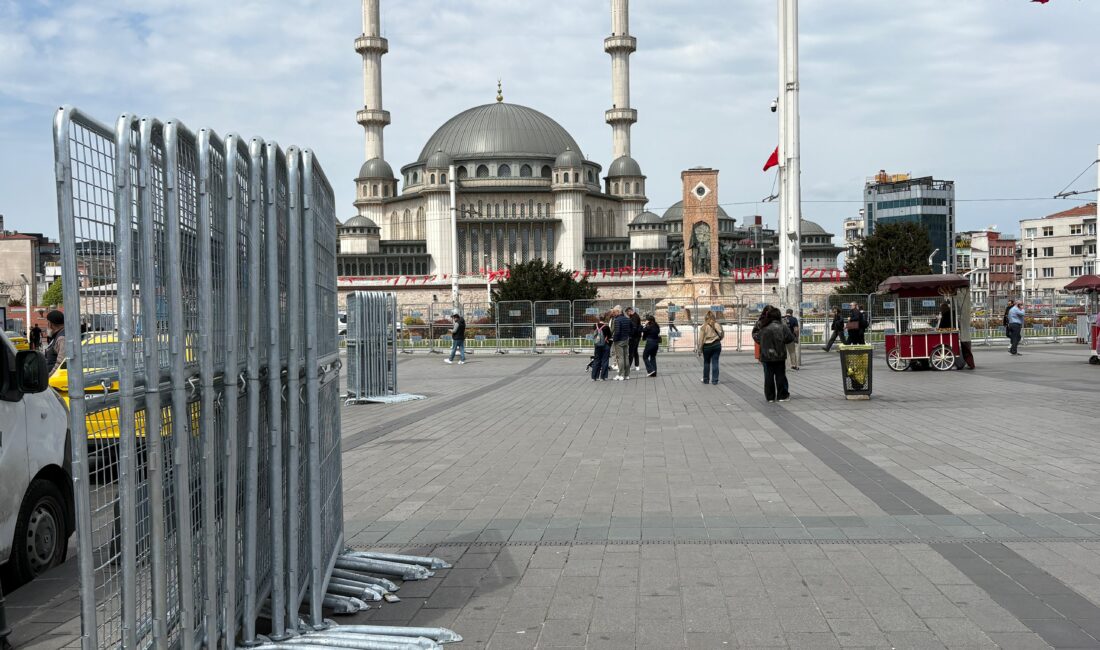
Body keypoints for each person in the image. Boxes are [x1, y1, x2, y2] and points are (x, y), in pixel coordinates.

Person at [754, 306, 794, 402]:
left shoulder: (763, 327)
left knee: (768, 377)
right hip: (780, 355)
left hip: (766, 355)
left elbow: (757, 338)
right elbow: (790, 338)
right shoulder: (782, 326)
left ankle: (770, 397)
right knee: (780, 376)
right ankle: (782, 395)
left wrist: (763, 343)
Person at [696, 310, 724, 384]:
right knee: (715, 362)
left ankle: (706, 379)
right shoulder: (717, 324)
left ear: (705, 318)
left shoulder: (703, 327)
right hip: (716, 345)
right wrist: (718, 339)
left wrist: (699, 349)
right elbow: (722, 334)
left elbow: (701, 339)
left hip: (707, 346)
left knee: (706, 363)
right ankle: (715, 380)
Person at [611, 305, 633, 380]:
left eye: (614, 312)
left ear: (618, 311)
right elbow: (631, 329)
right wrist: (628, 336)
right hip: (626, 339)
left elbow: (617, 331)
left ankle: (620, 374)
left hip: (619, 341)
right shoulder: (627, 319)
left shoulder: (617, 320)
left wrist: (614, 339)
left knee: (620, 358)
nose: (613, 313)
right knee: (626, 357)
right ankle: (627, 375)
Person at [44, 310, 66, 375]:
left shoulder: (61, 338)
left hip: (55, 380)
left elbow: (60, 363)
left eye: (47, 323)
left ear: (50, 324)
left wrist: (49, 377)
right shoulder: (58, 335)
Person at [590, 315, 612, 381]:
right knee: (605, 360)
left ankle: (594, 377)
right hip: (605, 345)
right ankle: (603, 377)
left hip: (597, 345)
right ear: (605, 319)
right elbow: (610, 336)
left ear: (598, 319)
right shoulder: (606, 327)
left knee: (596, 360)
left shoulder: (595, 326)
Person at [626, 307, 642, 371]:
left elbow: (634, 328)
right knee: (635, 351)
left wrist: (630, 335)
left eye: (627, 313)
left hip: (634, 337)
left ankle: (629, 366)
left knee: (631, 351)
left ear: (630, 311)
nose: (627, 315)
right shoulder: (635, 316)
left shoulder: (634, 317)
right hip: (637, 336)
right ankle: (637, 365)